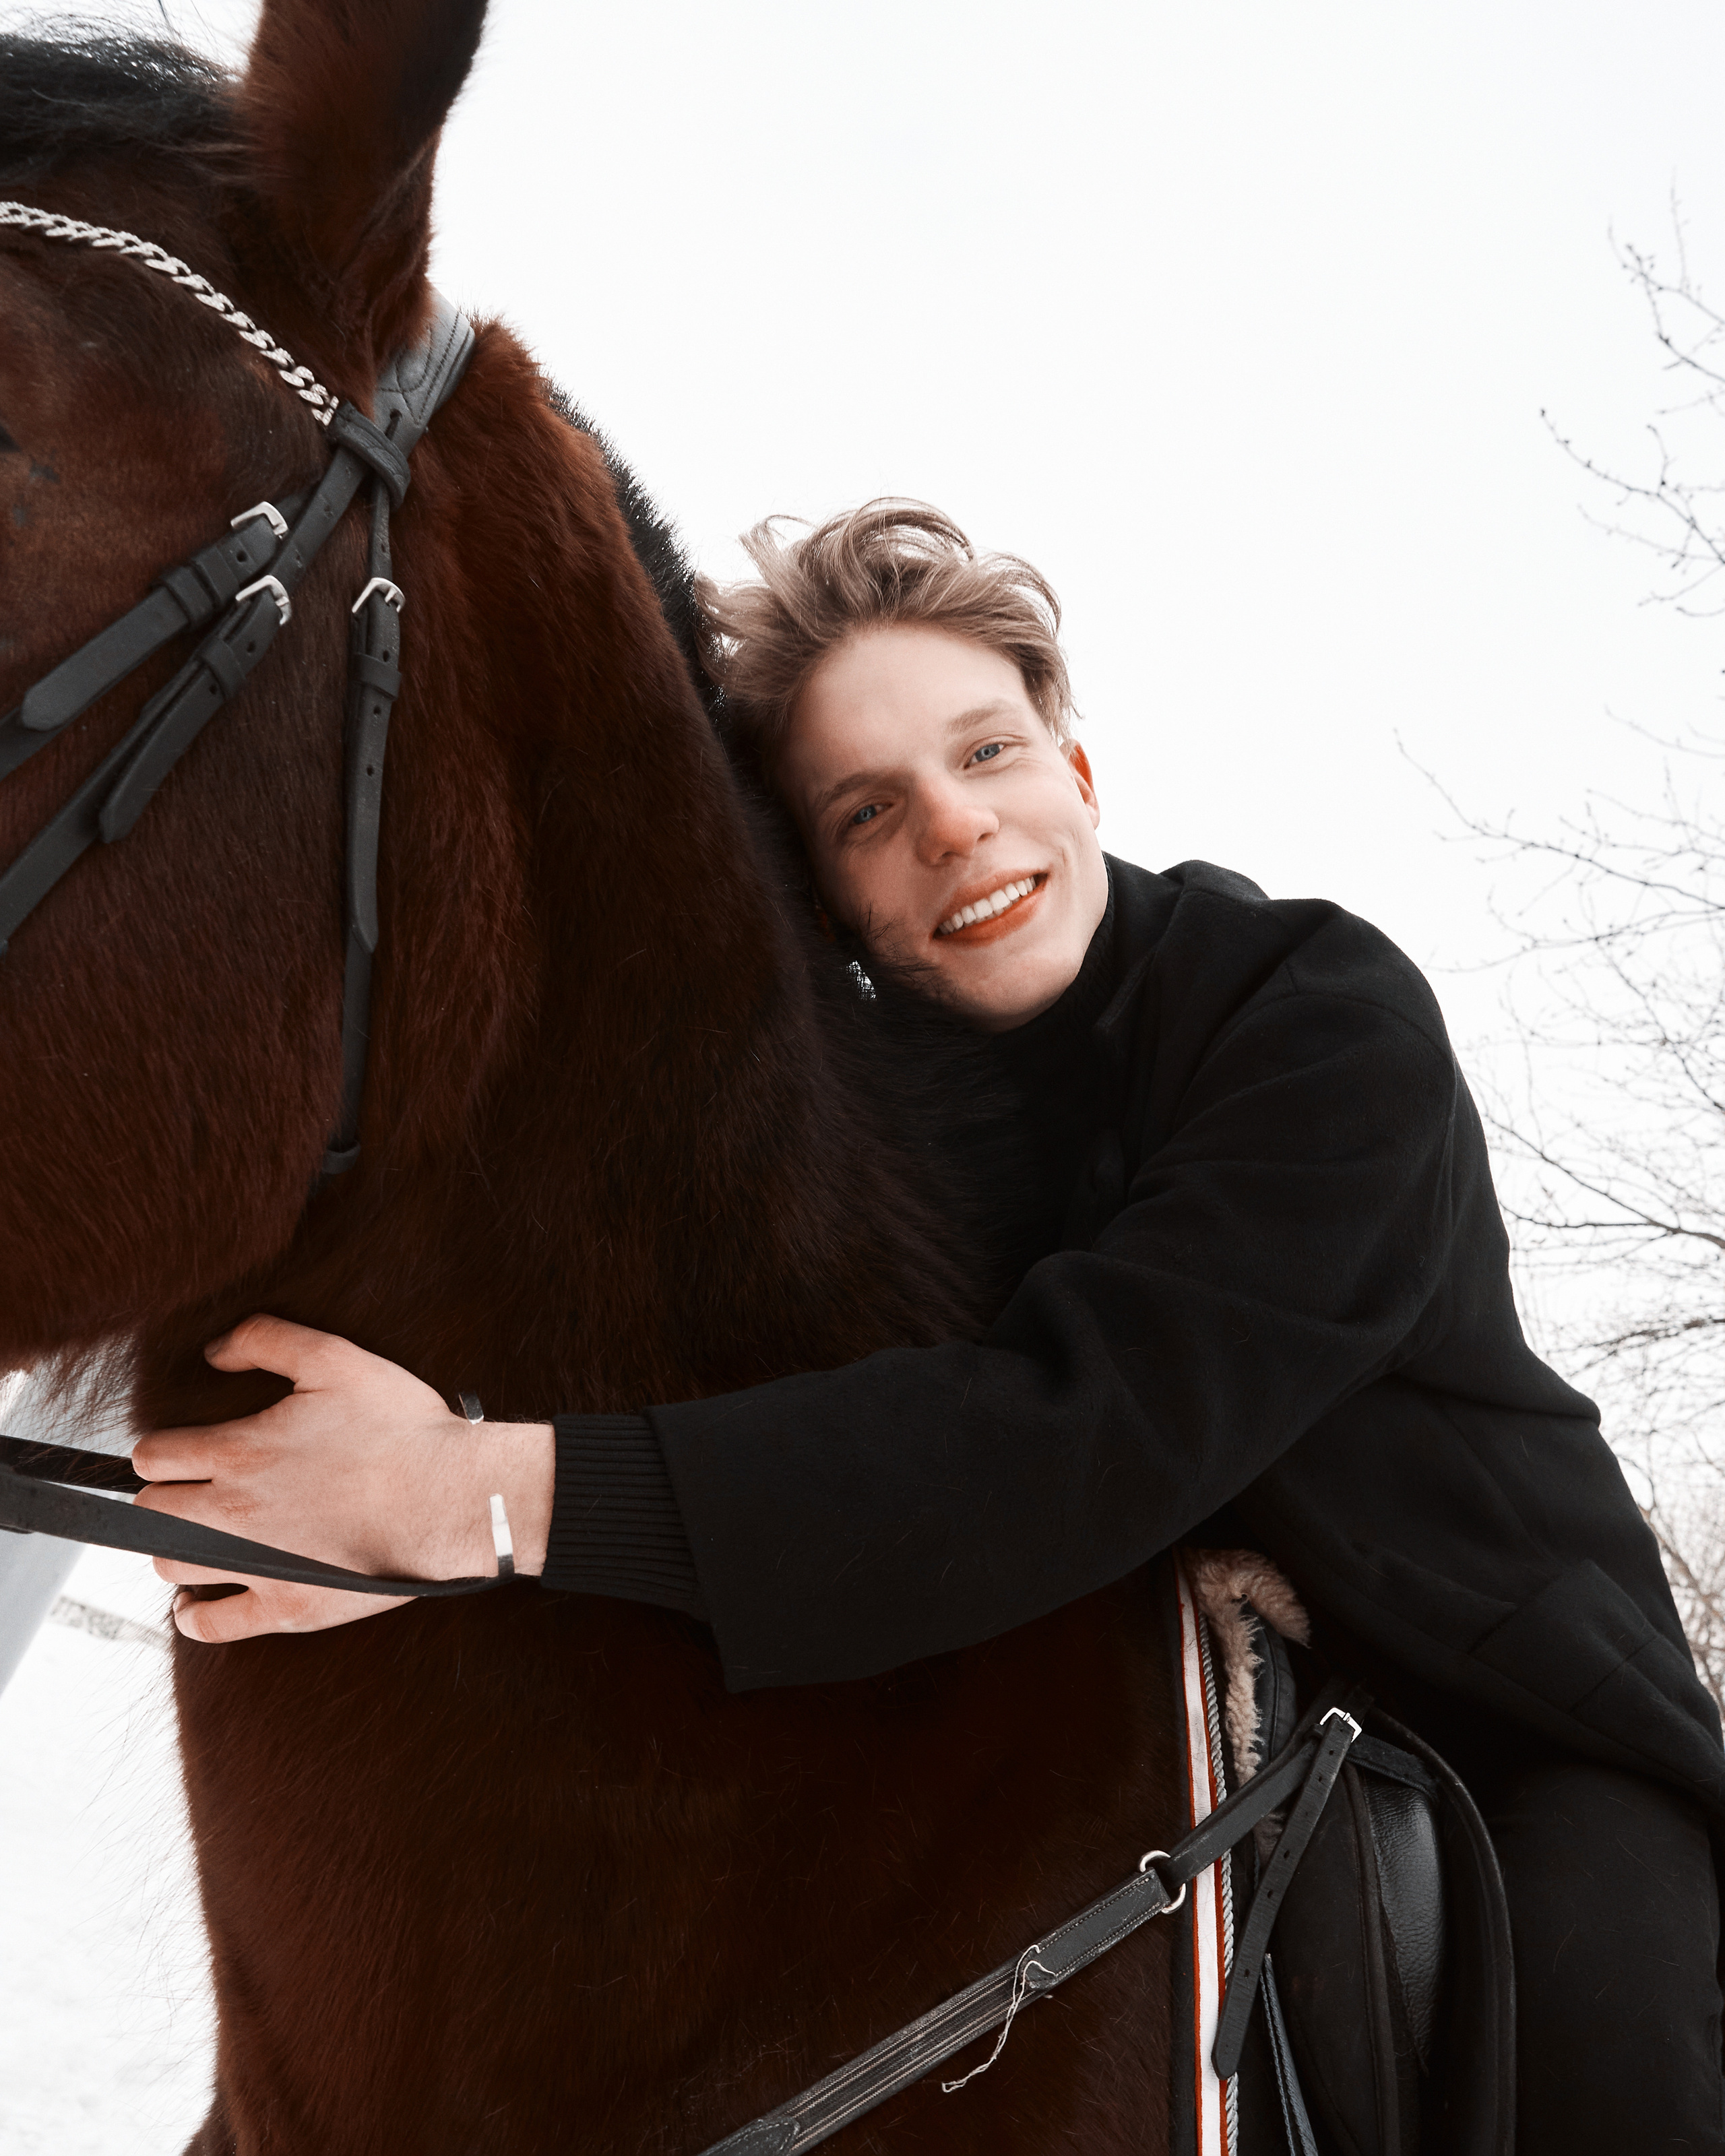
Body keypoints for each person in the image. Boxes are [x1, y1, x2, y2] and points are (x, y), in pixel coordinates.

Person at [134, 501, 1725, 2153]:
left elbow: (1066, 1438)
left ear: (1075, 772)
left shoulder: (1322, 1022)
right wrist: (404, 1500)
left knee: (1604, 2061)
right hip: (1104, 1655)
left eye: (986, 752)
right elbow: (761, 1427)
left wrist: (467, 1497)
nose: (955, 826)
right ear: (821, 902)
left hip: (1490, 1698)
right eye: (868, 809)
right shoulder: (869, 1134)